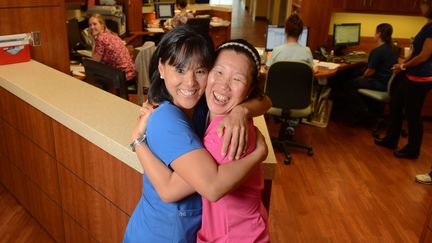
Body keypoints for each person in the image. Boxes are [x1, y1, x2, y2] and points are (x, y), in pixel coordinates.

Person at [123, 26, 272, 243]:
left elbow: (265, 100)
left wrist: (242, 110)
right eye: (180, 70)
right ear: (161, 68)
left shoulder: (203, 105)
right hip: (161, 235)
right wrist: (137, 142)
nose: (191, 82)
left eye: (200, 71)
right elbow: (177, 189)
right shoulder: (166, 119)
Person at [375, 0, 432, 159]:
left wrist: (404, 66)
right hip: (411, 74)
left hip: (421, 78)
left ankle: (412, 149)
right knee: (395, 104)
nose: (421, 6)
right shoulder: (427, 25)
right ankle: (391, 139)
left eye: (423, 4)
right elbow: (415, 52)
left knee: (413, 114)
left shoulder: (431, 28)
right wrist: (402, 64)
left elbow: (424, 56)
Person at [344, 23, 398, 123]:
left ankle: (361, 110)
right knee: (357, 74)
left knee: (349, 84)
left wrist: (361, 77)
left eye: (375, 32)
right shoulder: (393, 48)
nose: (374, 34)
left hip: (379, 83)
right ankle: (371, 109)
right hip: (388, 82)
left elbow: (370, 71)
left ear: (379, 34)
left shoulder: (377, 51)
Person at [88, 13, 136, 81]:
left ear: (102, 25)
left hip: (122, 77)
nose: (92, 27)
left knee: (92, 77)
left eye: (95, 24)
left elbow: (95, 62)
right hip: (130, 73)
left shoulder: (101, 38)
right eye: (90, 25)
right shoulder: (111, 34)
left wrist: (93, 40)